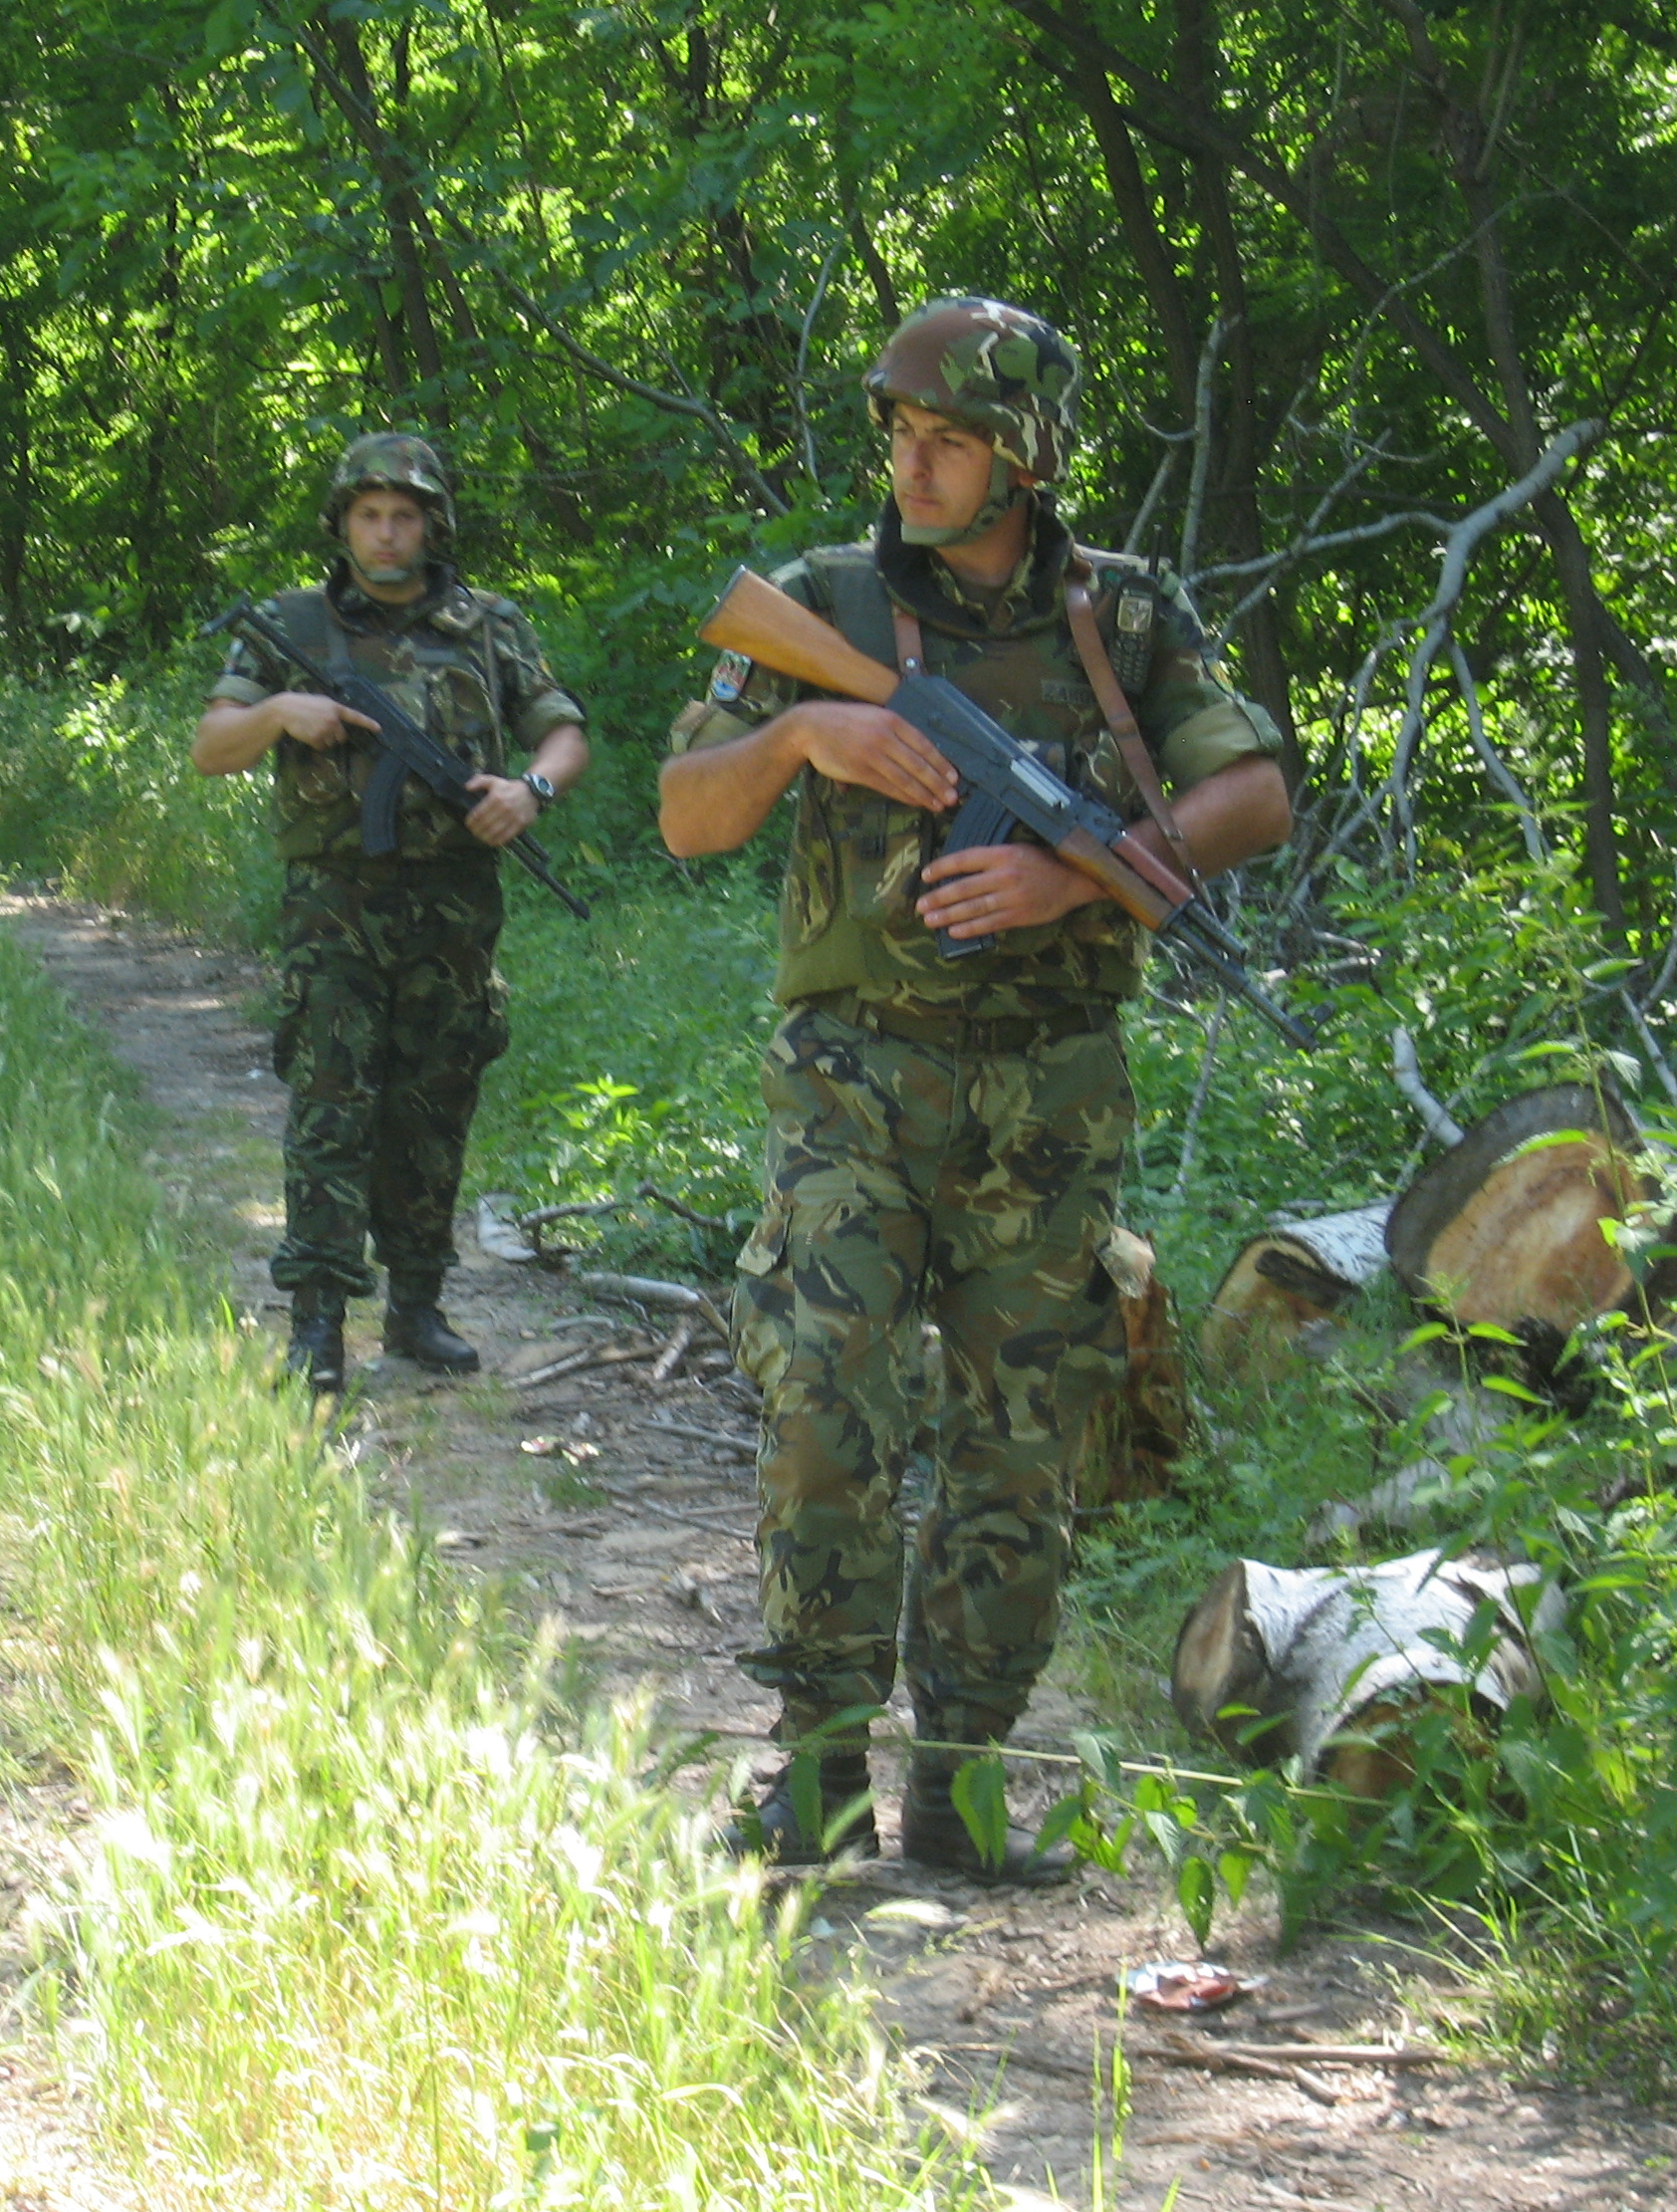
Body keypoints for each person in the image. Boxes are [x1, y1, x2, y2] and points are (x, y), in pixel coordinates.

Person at [659, 297, 1290, 1879]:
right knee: (822, 1409)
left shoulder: (1121, 617)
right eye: (900, 433)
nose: (912, 462)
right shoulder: (829, 601)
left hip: (1051, 1097)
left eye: (947, 439)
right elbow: (684, 815)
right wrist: (811, 728)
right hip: (853, 1085)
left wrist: (1080, 884)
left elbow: (1255, 790)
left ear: (1026, 458)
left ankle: (961, 1785)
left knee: (1028, 1442)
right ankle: (812, 1773)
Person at [194, 433, 591, 1394]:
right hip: (333, 908)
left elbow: (565, 731)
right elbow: (213, 746)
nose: (386, 533)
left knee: (435, 1102)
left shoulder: (487, 625)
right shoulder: (292, 625)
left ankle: (417, 1304)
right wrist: (283, 713)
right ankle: (319, 1321)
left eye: (404, 515)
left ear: (433, 524)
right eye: (369, 515)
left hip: (456, 907)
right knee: (331, 1105)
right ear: (343, 523)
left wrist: (529, 790)